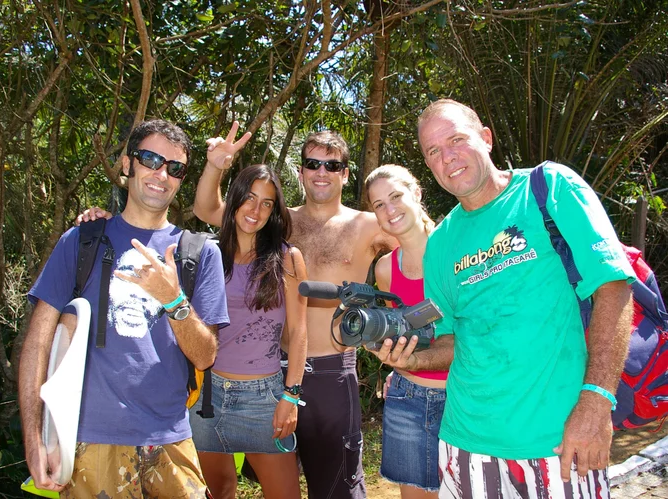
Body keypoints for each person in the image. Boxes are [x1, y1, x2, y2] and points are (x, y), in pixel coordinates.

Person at [375, 99, 635, 498]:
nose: (448, 157)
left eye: (456, 139)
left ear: (486, 138)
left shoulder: (549, 188)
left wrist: (597, 401)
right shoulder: (441, 243)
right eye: (434, 151)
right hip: (464, 445)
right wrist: (412, 360)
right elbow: (452, 339)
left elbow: (613, 288)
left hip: (556, 442)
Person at [18, 120, 229, 498]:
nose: (161, 174)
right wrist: (35, 440)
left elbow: (205, 356)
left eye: (175, 168)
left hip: (172, 441)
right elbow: (38, 344)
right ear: (127, 164)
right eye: (150, 159)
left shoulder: (199, 253)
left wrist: (173, 299)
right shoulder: (81, 241)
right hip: (91, 445)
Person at [194, 122, 396, 499]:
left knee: (337, 487)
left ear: (345, 174)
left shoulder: (368, 225)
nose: (322, 172)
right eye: (313, 164)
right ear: (301, 171)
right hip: (274, 372)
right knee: (276, 483)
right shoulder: (279, 221)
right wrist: (216, 166)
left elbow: (422, 249)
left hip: (332, 372)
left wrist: (399, 323)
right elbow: (208, 209)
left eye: (332, 165)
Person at [188, 161, 308, 499]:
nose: (255, 210)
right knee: (218, 491)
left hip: (263, 398)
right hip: (206, 395)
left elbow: (299, 332)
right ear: (235, 198)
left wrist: (291, 395)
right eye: (250, 198)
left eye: (266, 203)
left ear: (274, 212)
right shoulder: (207, 253)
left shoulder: (288, 258)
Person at [364, 164, 447, 499]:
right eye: (379, 205)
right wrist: (390, 356)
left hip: (462, 398)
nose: (390, 209)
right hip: (406, 399)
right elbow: (400, 330)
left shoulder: (455, 250)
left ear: (417, 193)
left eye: (396, 196)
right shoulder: (385, 268)